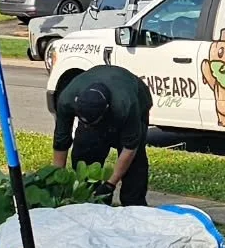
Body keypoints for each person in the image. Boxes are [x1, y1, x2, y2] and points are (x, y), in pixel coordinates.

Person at [51, 65, 153, 207]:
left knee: (134, 168)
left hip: (135, 95)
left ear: (105, 110)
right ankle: (91, 202)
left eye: (92, 124)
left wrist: (110, 184)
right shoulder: (67, 100)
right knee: (85, 152)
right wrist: (58, 180)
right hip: (96, 98)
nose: (87, 127)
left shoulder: (126, 105)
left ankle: (134, 207)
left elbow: (130, 148)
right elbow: (61, 141)